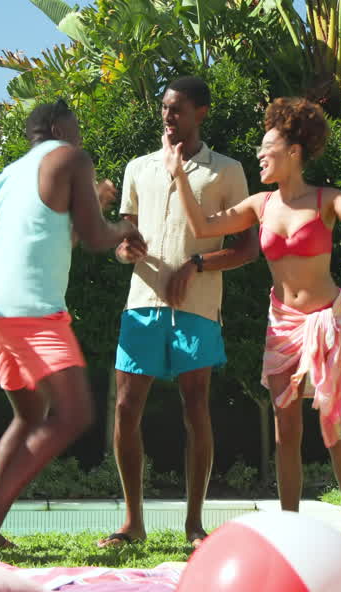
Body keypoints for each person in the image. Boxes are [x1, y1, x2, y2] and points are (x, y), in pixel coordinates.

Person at [166, 97, 341, 549]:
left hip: (325, 320)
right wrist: (178, 176)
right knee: (285, 430)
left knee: (333, 428)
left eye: (267, 148)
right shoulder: (260, 204)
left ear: (293, 152)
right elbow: (204, 225)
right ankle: (291, 530)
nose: (259, 155)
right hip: (283, 323)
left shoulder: (327, 200)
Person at [0, 100, 145, 557]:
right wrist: (124, 226)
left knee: (28, 417)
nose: (81, 137)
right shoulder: (70, 157)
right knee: (74, 415)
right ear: (57, 127)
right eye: (77, 127)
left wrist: (97, 206)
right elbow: (93, 239)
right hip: (32, 308)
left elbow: (49, 235)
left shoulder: (8, 174)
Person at [98, 76, 258, 549]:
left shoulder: (226, 170)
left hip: (198, 308)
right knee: (126, 409)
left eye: (178, 109)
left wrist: (198, 264)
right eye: (165, 108)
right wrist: (124, 251)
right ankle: (133, 523)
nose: (168, 116)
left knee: (196, 409)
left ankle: (194, 525)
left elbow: (248, 249)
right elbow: (122, 240)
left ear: (200, 113)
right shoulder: (137, 168)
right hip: (142, 306)